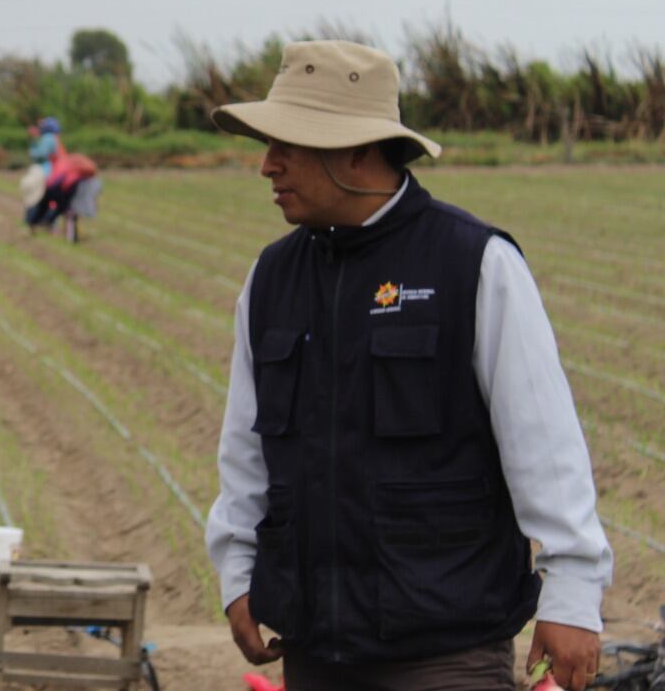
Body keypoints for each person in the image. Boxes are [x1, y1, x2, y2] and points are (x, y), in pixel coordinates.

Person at [204, 41, 611, 691]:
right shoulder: (271, 279)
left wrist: (572, 596)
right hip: (312, 650)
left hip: (445, 655)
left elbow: (546, 446)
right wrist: (238, 573)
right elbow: (245, 456)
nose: (266, 165)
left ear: (355, 150)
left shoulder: (474, 264)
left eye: (287, 144)